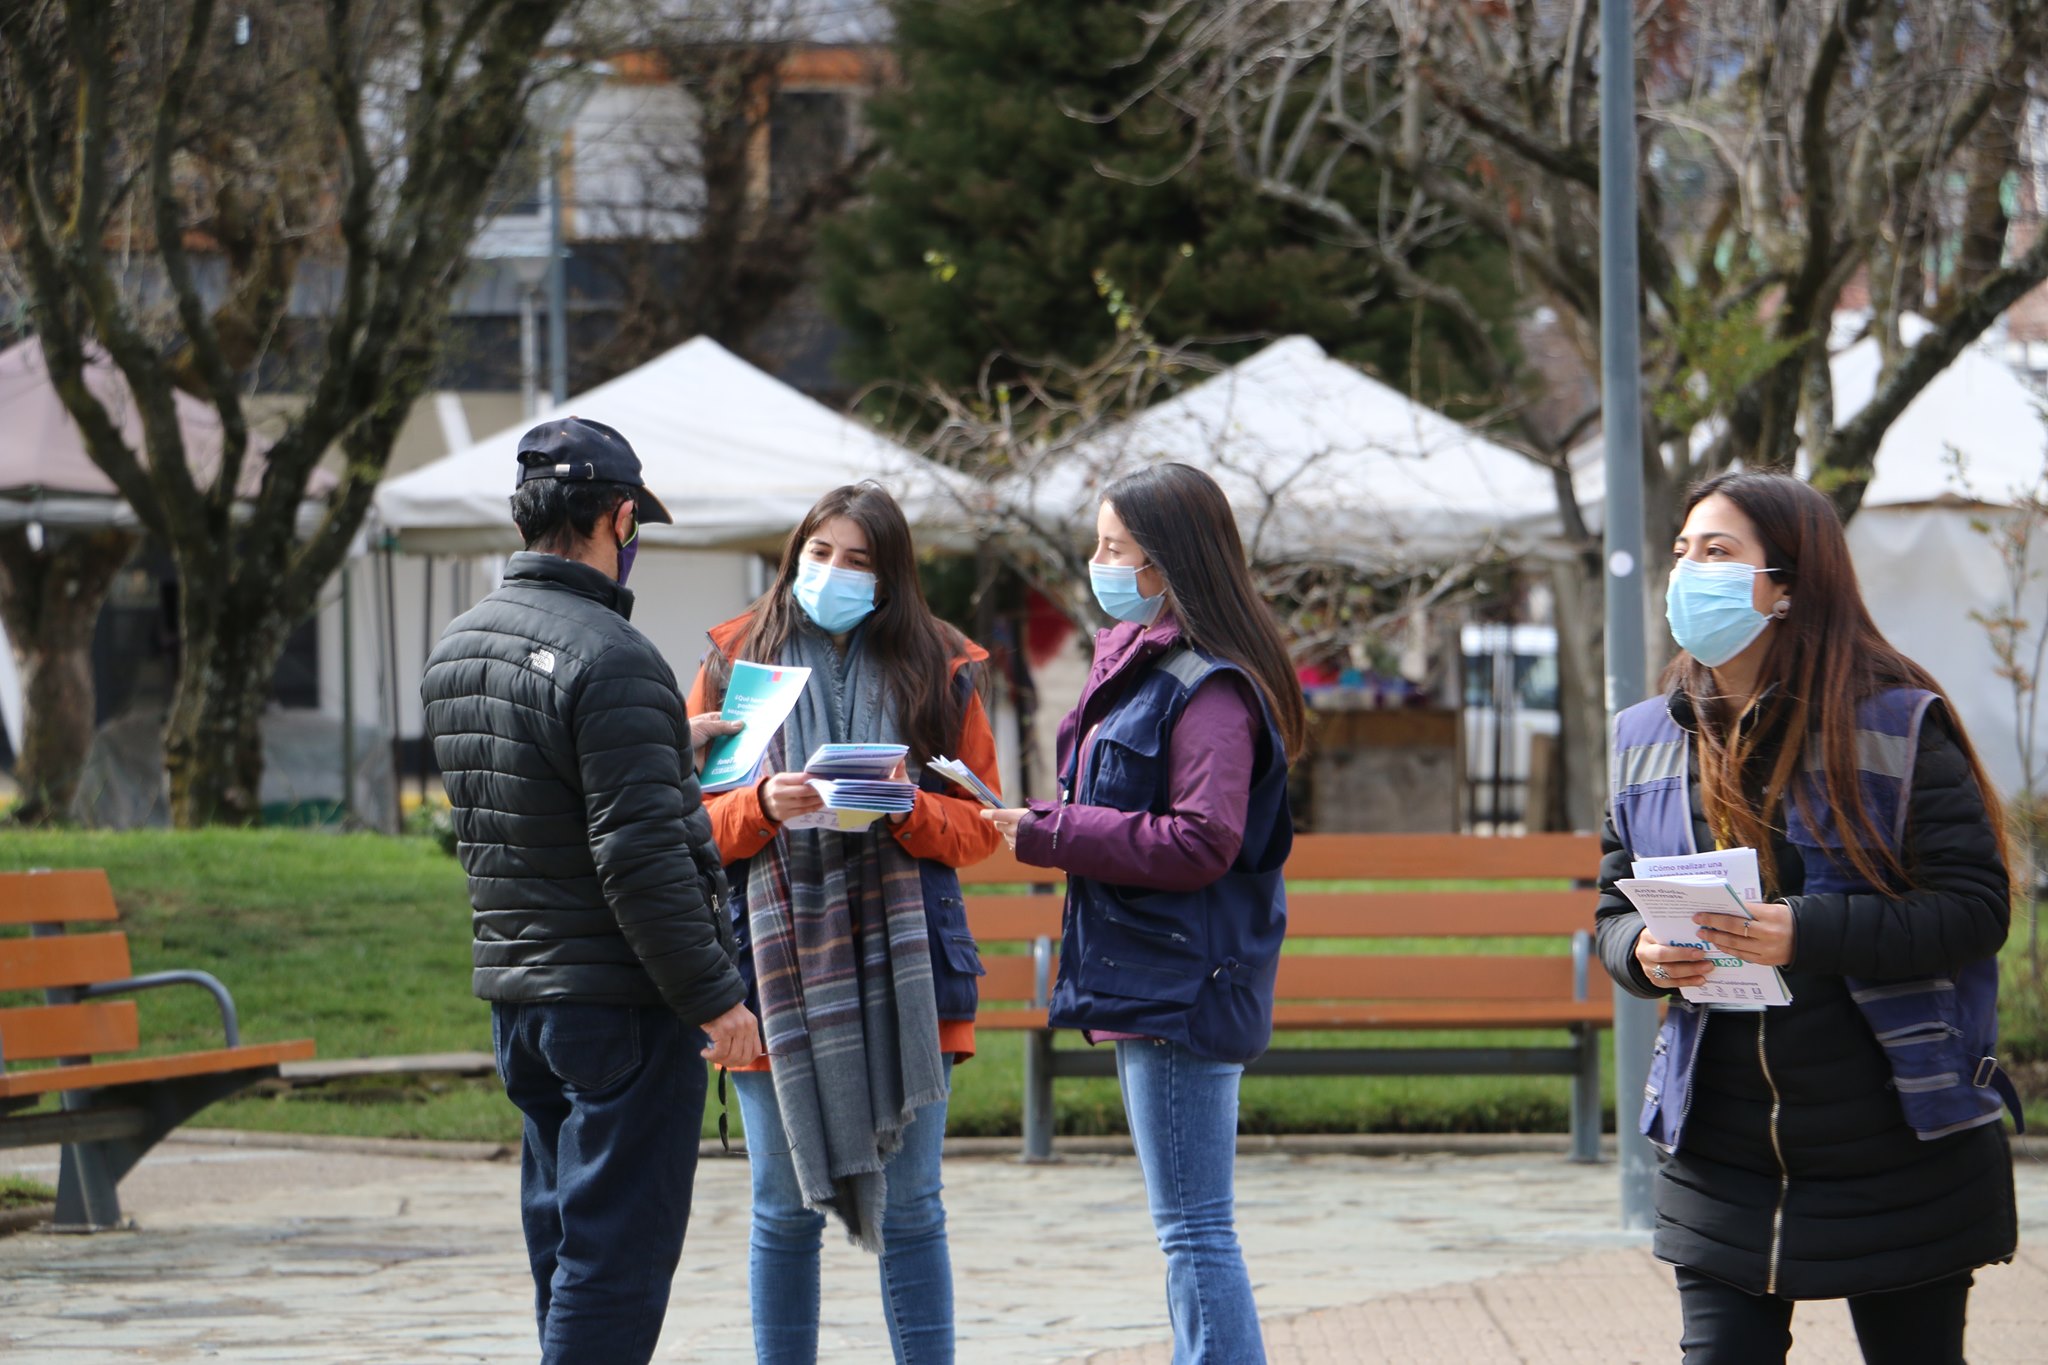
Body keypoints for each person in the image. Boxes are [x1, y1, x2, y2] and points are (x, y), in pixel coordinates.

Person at [1597, 471, 2023, 1365]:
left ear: (1787, 586)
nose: (1688, 573)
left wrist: (1809, 932)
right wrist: (1639, 950)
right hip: (1720, 1144)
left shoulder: (1896, 724)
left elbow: (1975, 908)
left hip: (1897, 1141)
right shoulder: (1644, 735)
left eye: (1718, 553)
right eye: (1683, 552)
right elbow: (1611, 898)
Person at [421, 417, 762, 1365]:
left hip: (521, 997)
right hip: (621, 1001)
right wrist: (718, 1000)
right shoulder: (615, 657)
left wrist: (662, 749)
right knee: (615, 1260)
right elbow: (639, 859)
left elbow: (535, 798)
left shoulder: (460, 645)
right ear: (620, 518)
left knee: (565, 1247)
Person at [984, 463, 1307, 1365]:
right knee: (1190, 1230)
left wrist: (1051, 830)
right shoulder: (1145, 666)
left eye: (1113, 548)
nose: (1097, 563)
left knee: (1195, 1230)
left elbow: (1202, 839)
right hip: (1154, 974)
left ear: (1164, 566)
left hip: (1182, 988)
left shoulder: (1206, 687)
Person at [685, 482, 1002, 1365]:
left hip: (909, 972)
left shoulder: (939, 666)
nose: (833, 572)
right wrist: (761, 806)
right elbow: (687, 824)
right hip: (770, 975)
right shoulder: (736, 664)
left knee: (914, 1206)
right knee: (781, 1208)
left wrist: (906, 808)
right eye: (820, 553)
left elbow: (982, 821)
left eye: (859, 560)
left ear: (891, 576)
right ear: (794, 555)